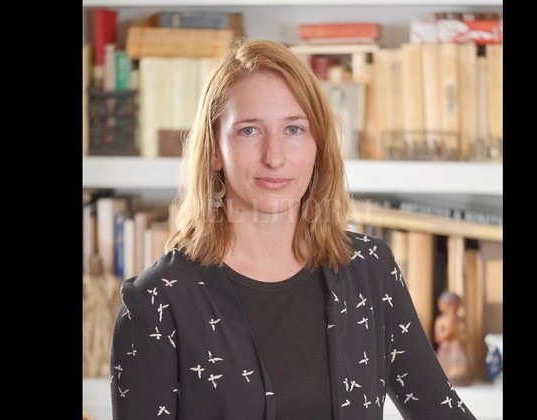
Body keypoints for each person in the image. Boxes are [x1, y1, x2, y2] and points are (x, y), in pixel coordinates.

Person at [110, 38, 477, 420]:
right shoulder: (155, 302)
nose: (274, 156)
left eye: (294, 129)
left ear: (318, 144)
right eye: (249, 130)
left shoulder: (371, 269)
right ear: (215, 150)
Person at [434, 290, 473, 387]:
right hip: (445, 349)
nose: (452, 308)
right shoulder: (440, 320)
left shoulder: (461, 320)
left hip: (458, 350)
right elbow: (438, 338)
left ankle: (459, 375)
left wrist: (458, 332)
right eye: (449, 305)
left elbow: (465, 336)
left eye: (454, 305)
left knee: (457, 345)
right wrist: (450, 328)